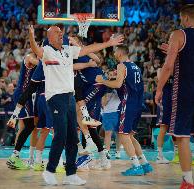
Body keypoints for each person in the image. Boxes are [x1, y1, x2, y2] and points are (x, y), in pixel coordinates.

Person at [11, 25, 123, 186]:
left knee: (72, 137)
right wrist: (31, 36)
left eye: (61, 32)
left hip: (70, 97)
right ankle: (49, 171)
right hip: (55, 98)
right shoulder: (47, 52)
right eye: (57, 32)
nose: (61, 34)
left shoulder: (68, 51)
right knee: (61, 135)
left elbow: (89, 49)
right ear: (50, 37)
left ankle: (71, 174)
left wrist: (108, 43)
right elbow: (35, 49)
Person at [155, 5, 194, 189]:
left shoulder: (179, 34)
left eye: (182, 19)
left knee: (182, 136)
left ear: (186, 18)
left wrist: (159, 90)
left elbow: (168, 67)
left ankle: (188, 182)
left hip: (185, 91)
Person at [96, 46, 153, 176]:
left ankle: (136, 166)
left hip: (128, 103)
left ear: (120, 53)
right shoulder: (135, 66)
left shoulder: (122, 66)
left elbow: (117, 84)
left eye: (116, 51)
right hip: (138, 104)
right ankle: (145, 164)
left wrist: (103, 81)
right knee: (130, 135)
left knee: (122, 135)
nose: (114, 53)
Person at [6, 53, 39, 170]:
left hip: (29, 96)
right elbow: (38, 63)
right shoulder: (30, 57)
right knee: (28, 127)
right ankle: (14, 156)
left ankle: (15, 156)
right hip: (23, 95)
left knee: (28, 127)